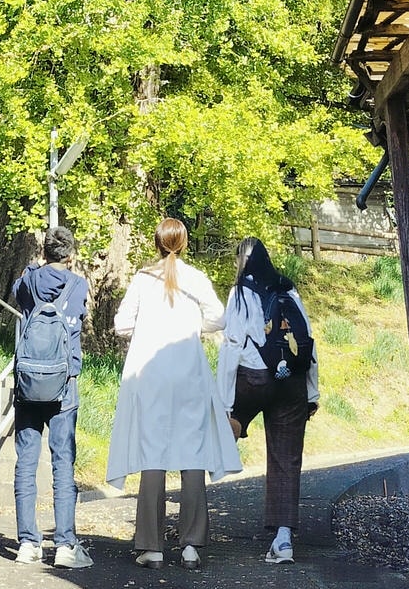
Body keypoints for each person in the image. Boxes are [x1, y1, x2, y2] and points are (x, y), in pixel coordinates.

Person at [106, 218, 241, 568]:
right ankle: (191, 544)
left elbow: (121, 324)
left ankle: (151, 546)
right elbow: (219, 319)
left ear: (156, 242)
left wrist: (148, 326)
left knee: (153, 455)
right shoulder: (195, 278)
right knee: (191, 453)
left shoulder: (141, 279)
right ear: (183, 244)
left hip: (150, 372)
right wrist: (194, 324)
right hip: (189, 372)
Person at [216, 238, 318, 563]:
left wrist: (225, 400)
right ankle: (284, 540)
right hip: (292, 383)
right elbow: (308, 344)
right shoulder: (288, 289)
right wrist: (312, 393)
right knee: (286, 459)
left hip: (254, 379)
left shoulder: (241, 293)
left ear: (241, 263)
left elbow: (232, 345)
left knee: (230, 417)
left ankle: (225, 445)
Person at [11, 225, 92, 568]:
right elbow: (81, 318)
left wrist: (33, 266)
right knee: (62, 464)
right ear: (71, 254)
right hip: (64, 384)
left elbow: (17, 291)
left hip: (29, 383)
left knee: (26, 462)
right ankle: (65, 546)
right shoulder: (78, 285)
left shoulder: (30, 280)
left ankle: (28, 543)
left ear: (44, 252)